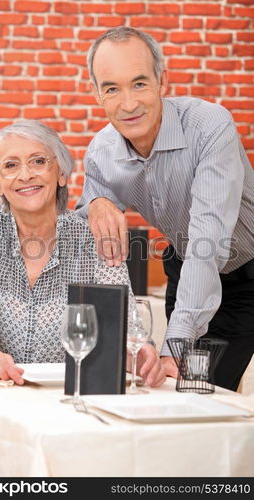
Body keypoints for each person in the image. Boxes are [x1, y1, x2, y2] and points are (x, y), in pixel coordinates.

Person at [76, 26, 254, 391]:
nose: (127, 104)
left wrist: (177, 344)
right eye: (112, 88)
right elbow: (87, 210)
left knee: (210, 392)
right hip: (184, 264)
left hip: (244, 272)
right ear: (97, 94)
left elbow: (209, 237)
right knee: (180, 391)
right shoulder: (101, 152)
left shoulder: (209, 126)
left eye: (139, 84)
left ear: (162, 81)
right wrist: (96, 201)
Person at [0, 119, 165, 388]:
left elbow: (124, 319)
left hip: (63, 377)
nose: (25, 175)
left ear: (60, 174)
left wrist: (136, 351)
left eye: (38, 161)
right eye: (10, 165)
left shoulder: (93, 235)